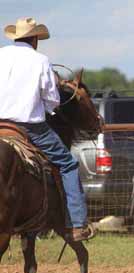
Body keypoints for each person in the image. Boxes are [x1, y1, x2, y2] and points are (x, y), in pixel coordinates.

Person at [0, 17, 94, 241]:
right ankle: (77, 223)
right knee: (68, 164)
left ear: (15, 38)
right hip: (29, 127)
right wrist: (45, 105)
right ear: (35, 40)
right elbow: (52, 100)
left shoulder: (1, 55)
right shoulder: (40, 61)